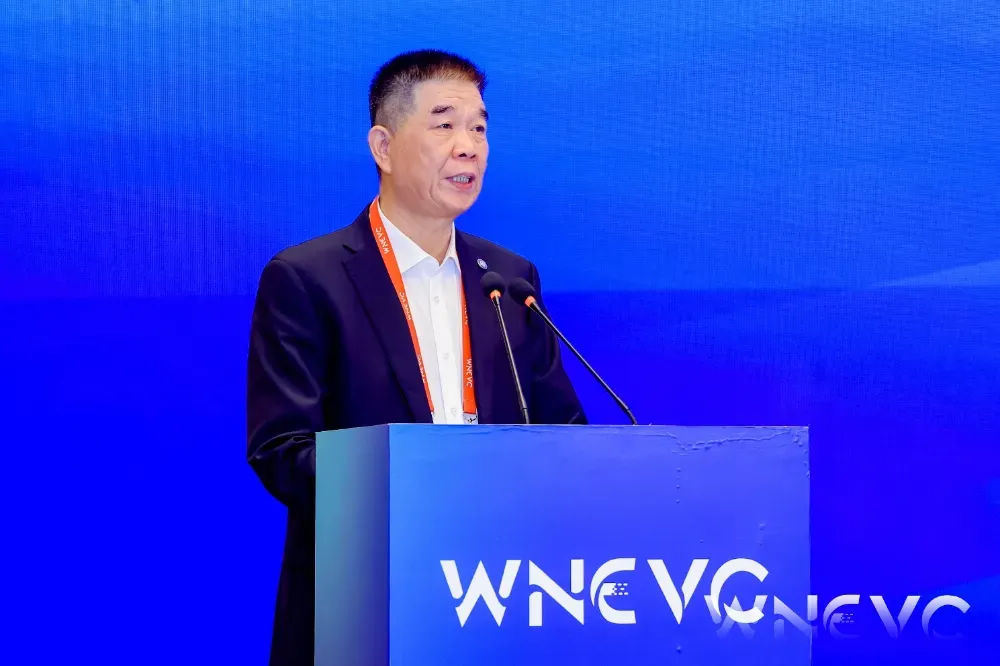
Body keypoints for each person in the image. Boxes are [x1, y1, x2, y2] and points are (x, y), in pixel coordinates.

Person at [246, 50, 585, 666]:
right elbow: (283, 450)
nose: (468, 147)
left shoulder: (510, 280)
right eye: (444, 123)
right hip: (365, 603)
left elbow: (563, 432)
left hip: (502, 597)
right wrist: (427, 480)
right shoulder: (309, 278)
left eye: (479, 127)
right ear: (383, 146)